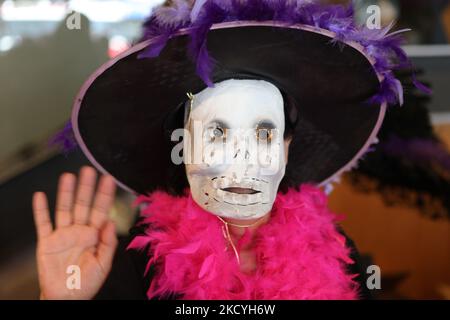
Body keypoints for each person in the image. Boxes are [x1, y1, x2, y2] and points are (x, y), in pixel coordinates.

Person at [32, 0, 421, 299]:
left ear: (287, 149)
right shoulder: (139, 265)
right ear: (182, 146)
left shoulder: (338, 253)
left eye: (265, 135)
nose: (242, 158)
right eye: (216, 135)